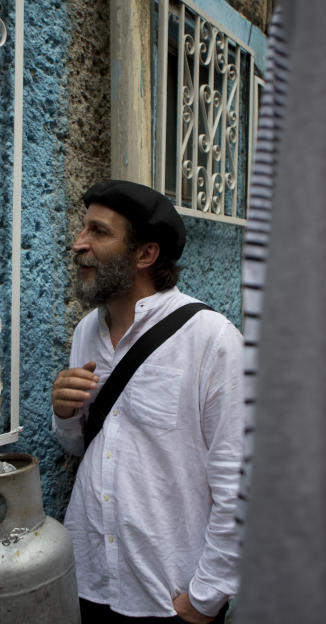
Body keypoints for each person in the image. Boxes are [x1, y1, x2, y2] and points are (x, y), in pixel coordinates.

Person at [51, 180, 244, 623]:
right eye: (83, 230)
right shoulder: (86, 333)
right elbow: (85, 447)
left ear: (145, 254)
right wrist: (65, 414)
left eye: (98, 232)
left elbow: (239, 482)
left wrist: (202, 601)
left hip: (168, 594)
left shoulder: (211, 340)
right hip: (88, 580)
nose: (79, 245)